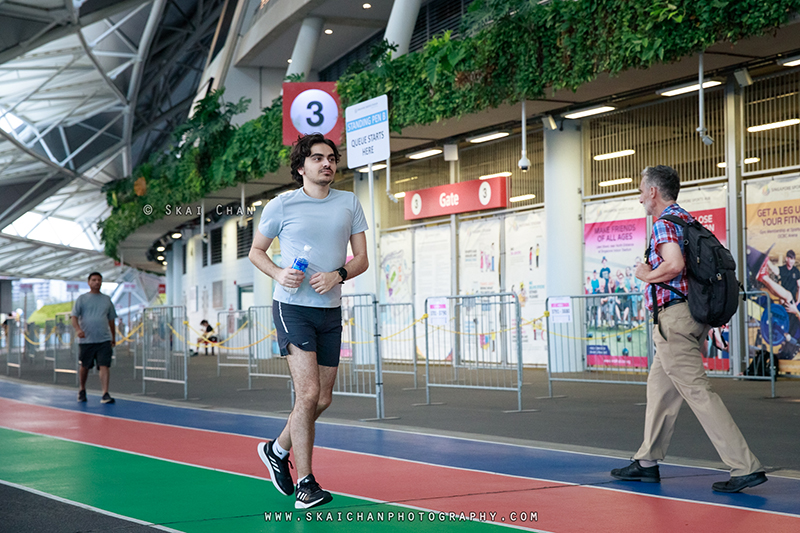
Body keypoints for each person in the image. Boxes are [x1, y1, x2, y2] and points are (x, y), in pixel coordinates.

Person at [610, 165, 766, 493]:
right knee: (660, 391)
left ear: (653, 191)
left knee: (697, 391)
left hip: (674, 320)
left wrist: (645, 274)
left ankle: (744, 465)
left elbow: (675, 264)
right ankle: (647, 462)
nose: (639, 197)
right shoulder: (688, 220)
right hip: (691, 316)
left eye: (641, 189)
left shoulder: (665, 224)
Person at [249, 133, 368, 509]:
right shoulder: (282, 205)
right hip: (292, 307)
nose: (327, 164)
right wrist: (278, 273)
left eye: (331, 158)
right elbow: (256, 251)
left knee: (324, 398)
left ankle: (276, 449)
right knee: (309, 394)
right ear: (301, 167)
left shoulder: (349, 202)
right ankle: (306, 482)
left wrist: (339, 274)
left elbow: (361, 259)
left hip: (330, 309)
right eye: (318, 158)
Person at [71, 272, 117, 404]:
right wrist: (78, 329)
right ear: (89, 282)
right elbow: (74, 317)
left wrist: (113, 337)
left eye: (99, 280)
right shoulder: (82, 299)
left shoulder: (107, 300)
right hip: (87, 340)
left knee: (104, 365)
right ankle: (82, 389)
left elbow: (111, 320)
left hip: (104, 339)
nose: (97, 282)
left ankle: (105, 393)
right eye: (94, 280)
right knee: (85, 366)